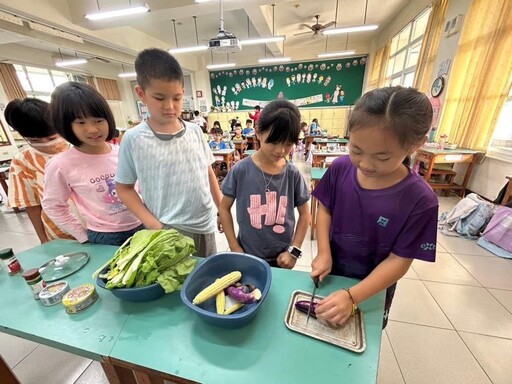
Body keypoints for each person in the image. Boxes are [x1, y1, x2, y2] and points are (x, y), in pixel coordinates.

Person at [311, 86, 438, 329]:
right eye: (356, 150)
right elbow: (325, 208)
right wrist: (324, 251)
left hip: (372, 290)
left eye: (382, 157)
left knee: (361, 338)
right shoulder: (340, 168)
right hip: (332, 276)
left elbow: (399, 260)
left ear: (415, 145)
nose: (365, 164)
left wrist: (353, 297)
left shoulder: (421, 200)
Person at [115, 48, 222, 257]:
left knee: (207, 278)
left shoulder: (194, 131)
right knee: (175, 284)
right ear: (141, 94)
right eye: (159, 98)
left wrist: (222, 210)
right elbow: (124, 188)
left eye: (177, 98)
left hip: (204, 224)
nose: (170, 106)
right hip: (166, 228)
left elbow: (208, 172)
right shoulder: (134, 139)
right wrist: (154, 225)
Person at [42, 82, 144, 246]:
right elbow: (53, 205)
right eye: (81, 122)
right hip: (105, 236)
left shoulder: (122, 151)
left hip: (142, 225)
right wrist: (82, 235)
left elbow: (139, 188)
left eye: (98, 120)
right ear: (66, 125)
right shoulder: (61, 164)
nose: (92, 129)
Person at [219, 100, 311, 269]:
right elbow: (223, 208)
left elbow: (305, 214)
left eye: (287, 144)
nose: (280, 151)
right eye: (274, 142)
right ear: (258, 132)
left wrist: (294, 252)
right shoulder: (241, 170)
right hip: (247, 254)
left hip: (282, 259)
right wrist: (234, 247)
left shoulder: (292, 174)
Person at [5, 98, 74, 243]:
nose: (47, 144)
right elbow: (32, 205)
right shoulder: (23, 162)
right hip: (59, 232)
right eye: (36, 141)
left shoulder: (78, 148)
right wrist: (43, 239)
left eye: (51, 138)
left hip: (98, 225)